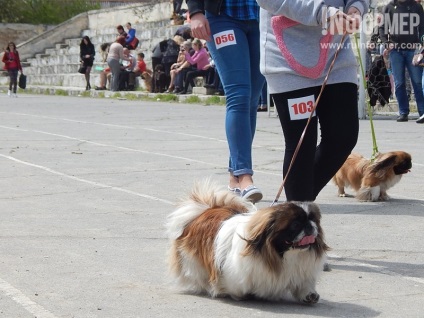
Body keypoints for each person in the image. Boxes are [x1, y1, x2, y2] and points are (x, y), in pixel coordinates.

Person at [257, 0, 368, 202]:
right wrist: (322, 13)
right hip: (288, 57)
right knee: (302, 143)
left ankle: (297, 208)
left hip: (336, 52)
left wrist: (356, 7)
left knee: (343, 137)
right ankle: (297, 214)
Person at [186, 0, 266, 203]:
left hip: (263, 16)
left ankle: (235, 178)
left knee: (251, 99)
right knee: (238, 95)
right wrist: (195, 11)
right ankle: (245, 175)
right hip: (224, 16)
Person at [379, 0, 424, 123]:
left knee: (417, 82)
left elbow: (422, 28)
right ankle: (403, 112)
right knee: (399, 83)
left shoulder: (416, 7)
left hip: (413, 50)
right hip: (396, 51)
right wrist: (386, 43)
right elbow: (382, 28)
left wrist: (422, 46)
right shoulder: (388, 7)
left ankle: (422, 112)